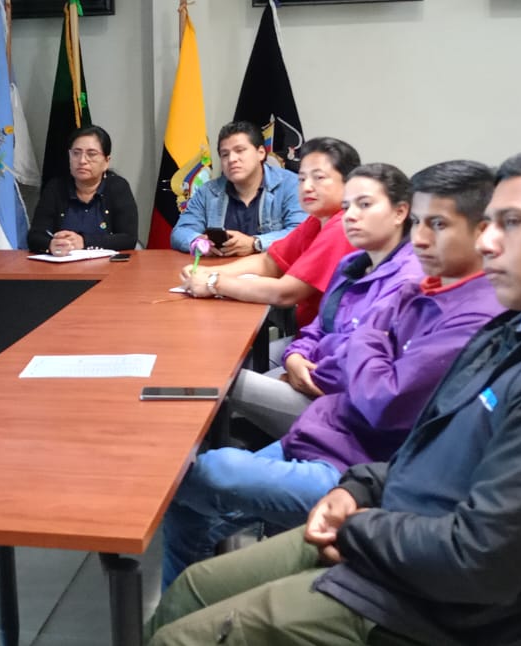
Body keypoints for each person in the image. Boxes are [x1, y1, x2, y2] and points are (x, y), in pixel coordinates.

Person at [145, 151, 521, 646]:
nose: (487, 242)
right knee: (192, 590)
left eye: (510, 224)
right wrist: (364, 486)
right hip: (392, 529)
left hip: (421, 606)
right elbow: (435, 442)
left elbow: (479, 558)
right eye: (488, 223)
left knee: (177, 636)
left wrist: (359, 528)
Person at [162, 161, 502, 587]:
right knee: (186, 509)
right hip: (327, 427)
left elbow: (380, 397)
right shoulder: (397, 275)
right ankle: (191, 591)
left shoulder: (453, 303)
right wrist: (310, 352)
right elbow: (320, 331)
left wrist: (362, 339)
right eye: (419, 223)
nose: (420, 238)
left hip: (359, 464)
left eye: (437, 224)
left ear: (483, 231)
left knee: (199, 469)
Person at [229, 163, 423, 440]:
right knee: (231, 377)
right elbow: (319, 326)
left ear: (400, 212)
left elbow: (363, 360)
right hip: (310, 373)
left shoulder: (408, 281)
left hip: (344, 406)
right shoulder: (352, 264)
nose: (350, 216)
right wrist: (294, 356)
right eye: (347, 207)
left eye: (364, 205)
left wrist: (305, 373)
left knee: (223, 382)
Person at [179, 138, 360, 328]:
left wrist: (214, 283)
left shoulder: (343, 227)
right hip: (311, 333)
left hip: (327, 341)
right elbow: (269, 262)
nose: (306, 187)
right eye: (302, 179)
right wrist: (208, 271)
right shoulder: (317, 220)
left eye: (319, 177)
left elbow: (286, 293)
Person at [170, 121, 306, 256]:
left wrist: (255, 244)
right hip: (222, 268)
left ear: (261, 153)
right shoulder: (208, 191)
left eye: (240, 151)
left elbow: (302, 233)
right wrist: (198, 242)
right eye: (225, 154)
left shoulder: (291, 185)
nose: (231, 159)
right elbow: (180, 232)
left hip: (273, 268)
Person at [28, 125, 140, 254]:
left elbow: (128, 239)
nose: (82, 161)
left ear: (106, 161)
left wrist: (84, 242)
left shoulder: (117, 187)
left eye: (91, 154)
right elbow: (34, 236)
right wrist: (51, 244)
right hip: (62, 264)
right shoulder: (56, 187)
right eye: (76, 153)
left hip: (107, 264)